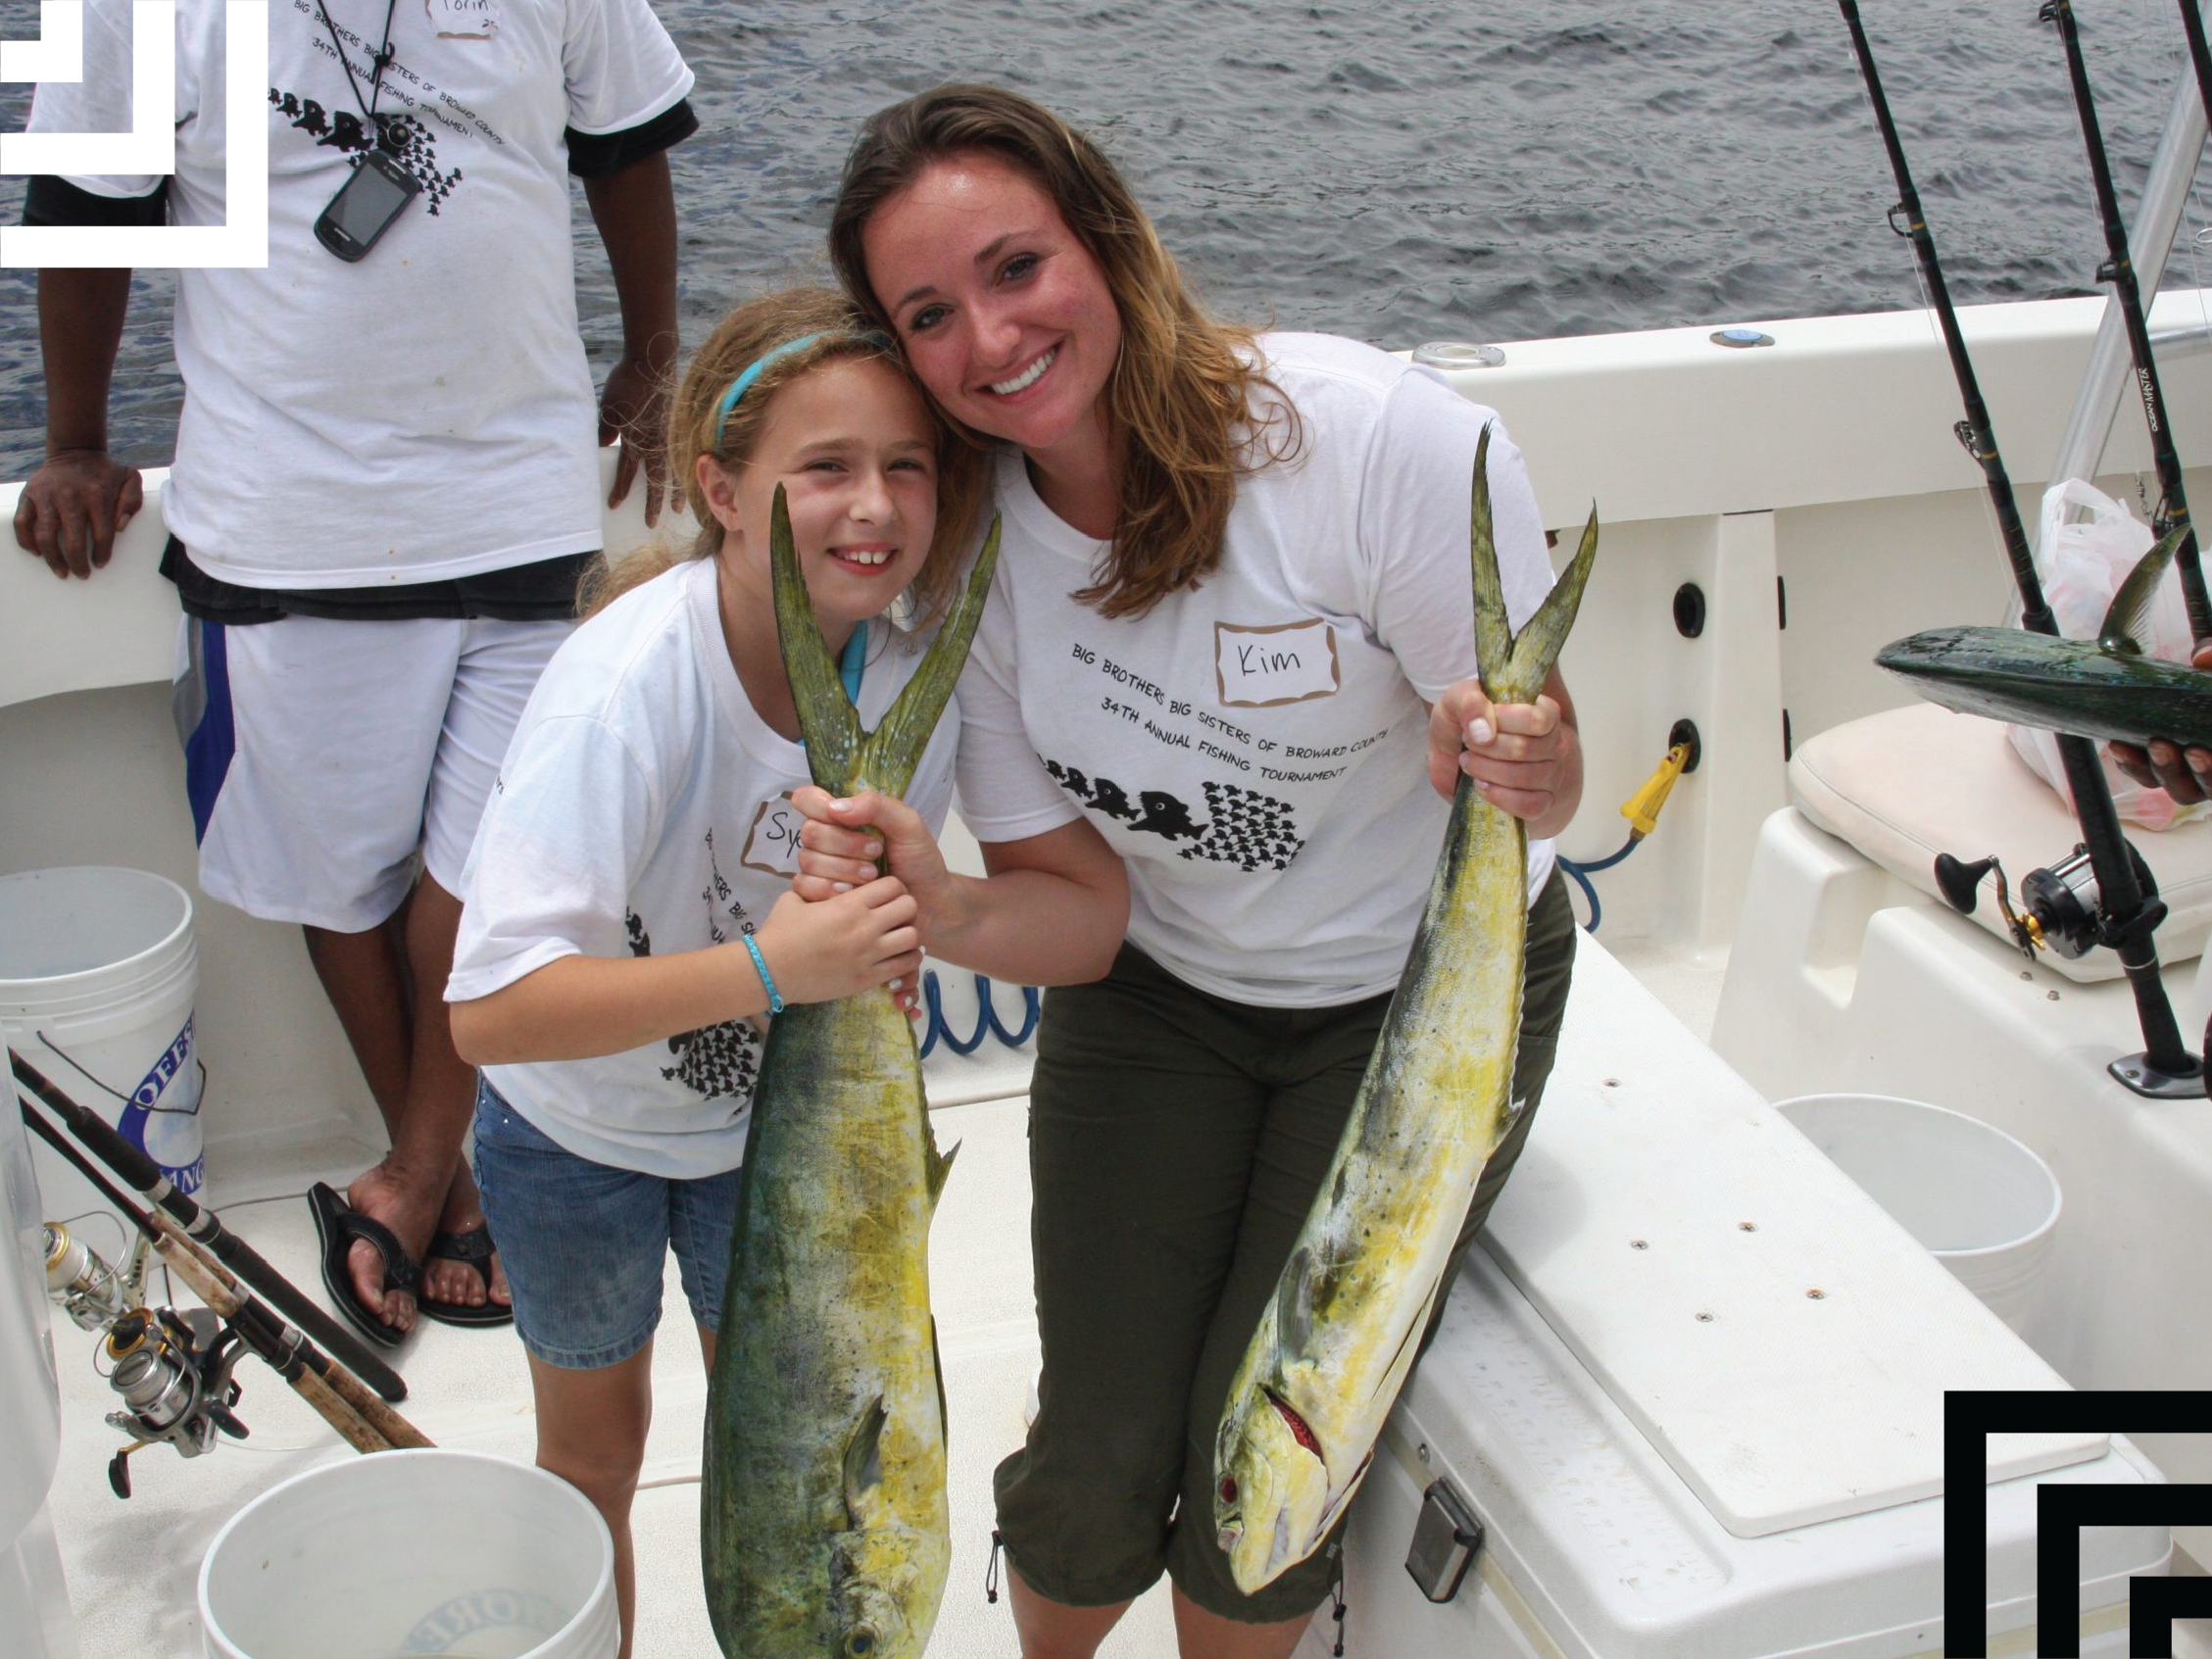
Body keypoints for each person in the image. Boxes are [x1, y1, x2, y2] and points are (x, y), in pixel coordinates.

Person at [793, 85, 1584, 1659]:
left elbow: (1542, 777)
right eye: (931, 313)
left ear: (1106, 233)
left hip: (1418, 1002)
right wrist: (937, 910)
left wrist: (1521, 755)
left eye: (1018, 267)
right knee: (1091, 1465)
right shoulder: (976, 566)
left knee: (1267, 1451)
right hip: (1158, 988)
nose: (992, 338)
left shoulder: (1380, 446)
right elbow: (1073, 912)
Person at [16, 0, 696, 1341]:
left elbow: (627, 147)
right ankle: (450, 1182)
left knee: (493, 873)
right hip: (287, 518)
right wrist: (79, 438)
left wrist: (657, 351)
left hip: (521, 495)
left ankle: (408, 1176)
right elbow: (83, 199)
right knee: (346, 880)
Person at [442, 287, 996, 1657]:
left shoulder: (919, 667)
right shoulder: (625, 689)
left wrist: (888, 939)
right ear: (723, 491)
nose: (872, 506)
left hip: (772, 1141)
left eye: (905, 467)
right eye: (825, 469)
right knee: (594, 1458)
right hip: (574, 1138)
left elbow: (889, 923)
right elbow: (488, 1010)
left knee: (800, 1455)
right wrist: (773, 966)